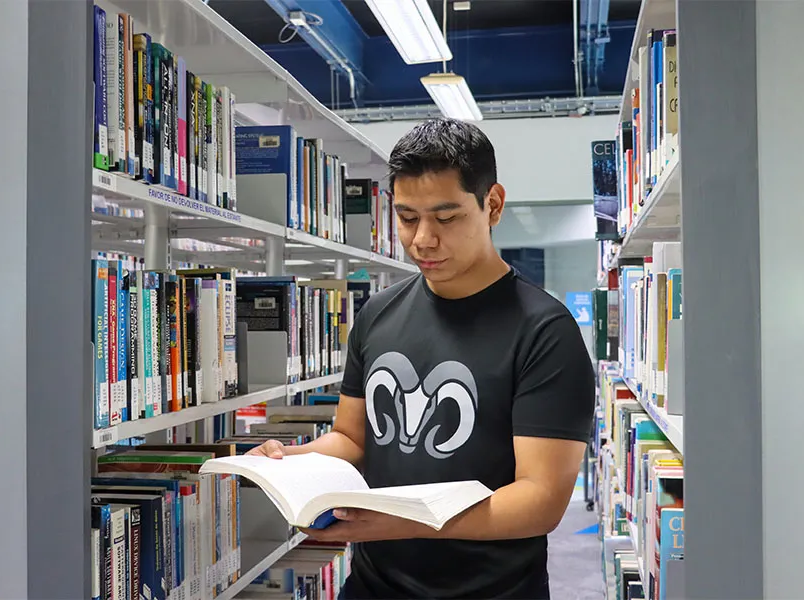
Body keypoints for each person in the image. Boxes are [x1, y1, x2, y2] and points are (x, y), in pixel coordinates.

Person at [247, 117, 596, 599]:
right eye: (407, 217)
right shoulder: (376, 315)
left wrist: (399, 523)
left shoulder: (545, 332)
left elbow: (541, 500)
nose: (422, 239)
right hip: (373, 586)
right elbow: (353, 439)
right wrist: (288, 460)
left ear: (492, 205)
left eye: (446, 217)